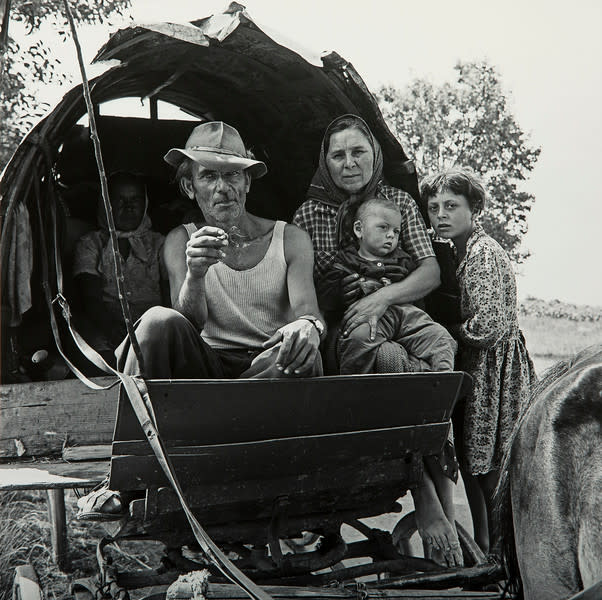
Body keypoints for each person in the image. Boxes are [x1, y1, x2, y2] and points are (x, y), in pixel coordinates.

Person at [77, 121, 325, 520]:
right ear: (190, 187)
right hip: (207, 372)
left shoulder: (289, 238)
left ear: (248, 183)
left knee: (301, 353)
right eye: (208, 176)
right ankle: (124, 478)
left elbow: (307, 311)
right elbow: (187, 322)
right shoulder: (181, 240)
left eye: (232, 175)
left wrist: (308, 327)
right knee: (157, 321)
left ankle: (214, 436)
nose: (222, 188)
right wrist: (195, 273)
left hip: (267, 371)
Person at [293, 114, 462, 568]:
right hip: (347, 335)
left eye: (358, 152)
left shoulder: (399, 203)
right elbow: (303, 283)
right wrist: (341, 294)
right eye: (338, 155)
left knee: (433, 371)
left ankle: (441, 510)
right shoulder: (309, 214)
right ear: (325, 162)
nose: (349, 163)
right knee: (387, 357)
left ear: (375, 156)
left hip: (399, 316)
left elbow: (429, 272)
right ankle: (423, 491)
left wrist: (382, 298)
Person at [421, 167, 537, 554]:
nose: (441, 214)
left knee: (489, 468)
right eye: (434, 206)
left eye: (452, 206)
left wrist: (445, 330)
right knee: (475, 462)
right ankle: (488, 545)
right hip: (477, 367)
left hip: (492, 369)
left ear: (475, 209)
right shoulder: (459, 251)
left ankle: (503, 550)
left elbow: (487, 326)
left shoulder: (484, 253)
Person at [318, 195, 457, 374]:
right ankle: (355, 390)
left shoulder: (404, 261)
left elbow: (421, 296)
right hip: (367, 318)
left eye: (396, 231)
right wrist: (341, 295)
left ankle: (442, 383)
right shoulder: (344, 262)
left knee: (440, 337)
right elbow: (326, 299)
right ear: (359, 229)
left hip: (406, 314)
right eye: (383, 227)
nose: (391, 235)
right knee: (359, 339)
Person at [72, 171, 167, 366]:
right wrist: (121, 337)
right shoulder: (91, 244)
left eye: (136, 200)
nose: (129, 207)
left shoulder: (161, 244)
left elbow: (170, 296)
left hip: (155, 329)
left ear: (145, 204)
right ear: (105, 204)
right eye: (119, 200)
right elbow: (91, 302)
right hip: (106, 329)